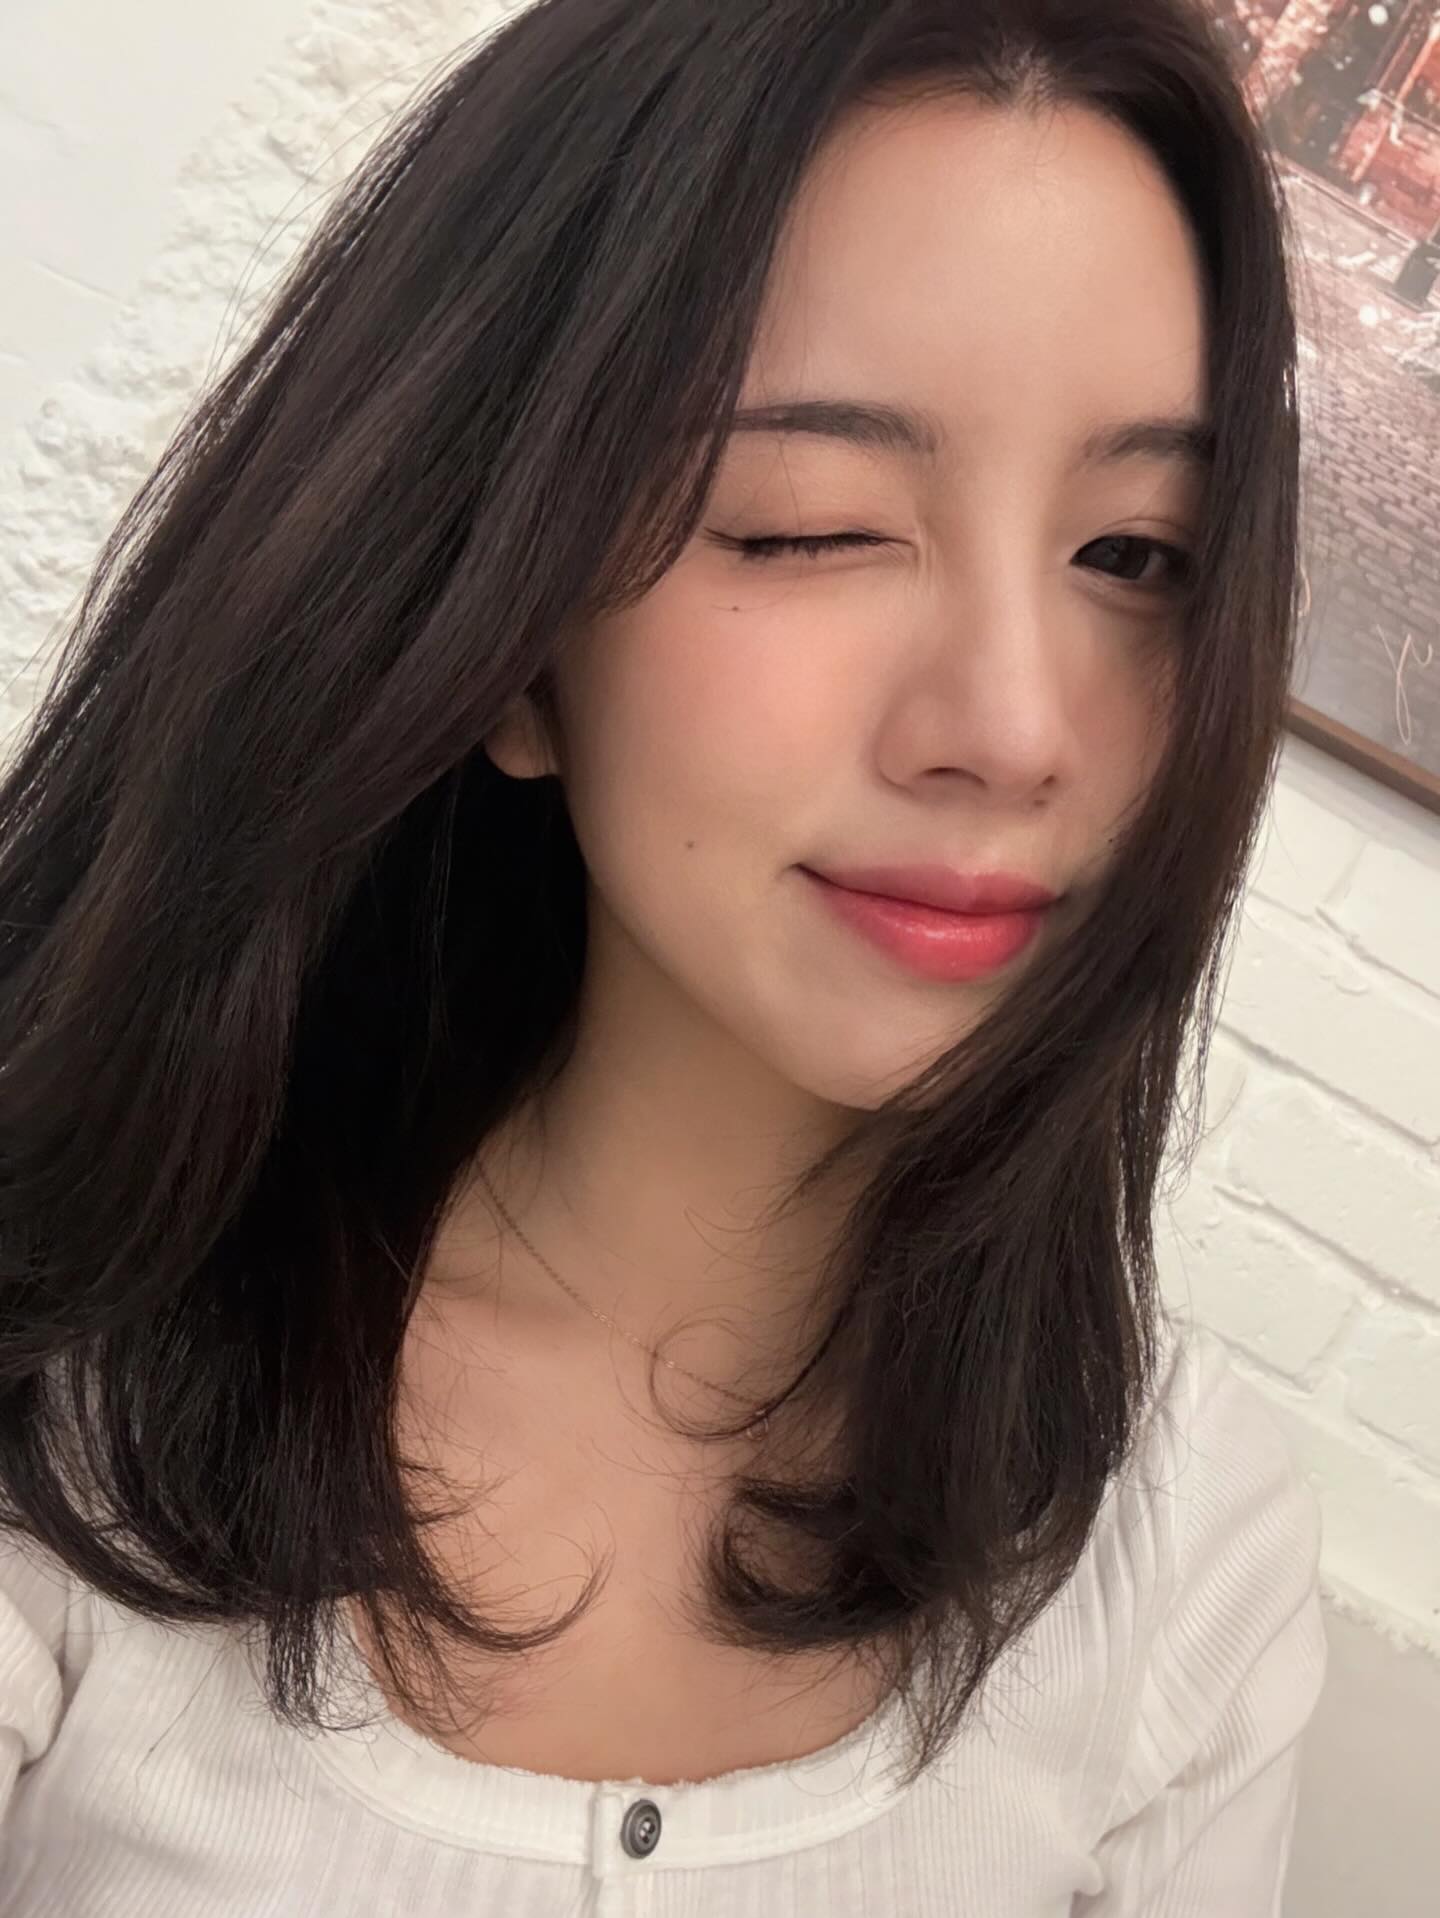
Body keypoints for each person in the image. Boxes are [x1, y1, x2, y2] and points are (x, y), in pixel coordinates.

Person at [0, 0, 1327, 1911]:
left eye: (1137, 555)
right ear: (508, 630)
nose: (1015, 725)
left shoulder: (1178, 1548)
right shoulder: (79, 1391)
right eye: (811, 527)